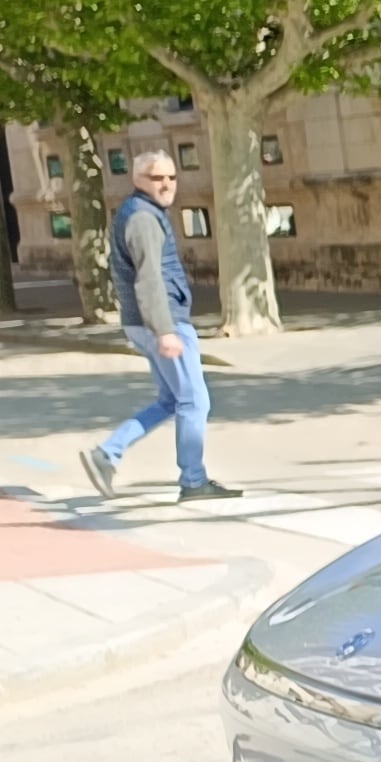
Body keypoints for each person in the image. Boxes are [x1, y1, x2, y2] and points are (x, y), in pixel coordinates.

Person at [77, 153, 237, 503]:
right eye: (156, 178)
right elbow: (148, 278)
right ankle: (193, 481)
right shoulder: (144, 219)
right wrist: (165, 330)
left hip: (148, 322)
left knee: (171, 400)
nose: (166, 184)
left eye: (171, 177)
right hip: (162, 322)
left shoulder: (140, 213)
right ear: (138, 180)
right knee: (195, 401)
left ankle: (109, 452)